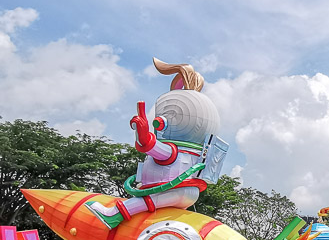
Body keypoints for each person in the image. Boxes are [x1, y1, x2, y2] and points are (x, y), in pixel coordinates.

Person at [86, 58, 228, 229]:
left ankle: (114, 214)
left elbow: (153, 148)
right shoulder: (197, 153)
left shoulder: (173, 150)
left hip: (175, 190)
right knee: (151, 204)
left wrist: (144, 135)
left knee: (144, 201)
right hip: (186, 192)